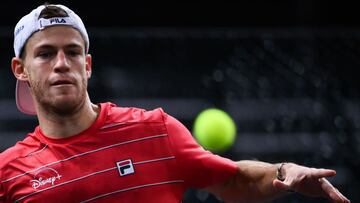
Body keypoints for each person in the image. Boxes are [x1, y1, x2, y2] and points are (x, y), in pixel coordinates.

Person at [0, 3, 350, 203]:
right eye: (45, 54)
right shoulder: (7, 173)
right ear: (21, 70)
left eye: (72, 52)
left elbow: (232, 179)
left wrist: (281, 171)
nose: (61, 63)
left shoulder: (154, 129)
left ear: (87, 65)